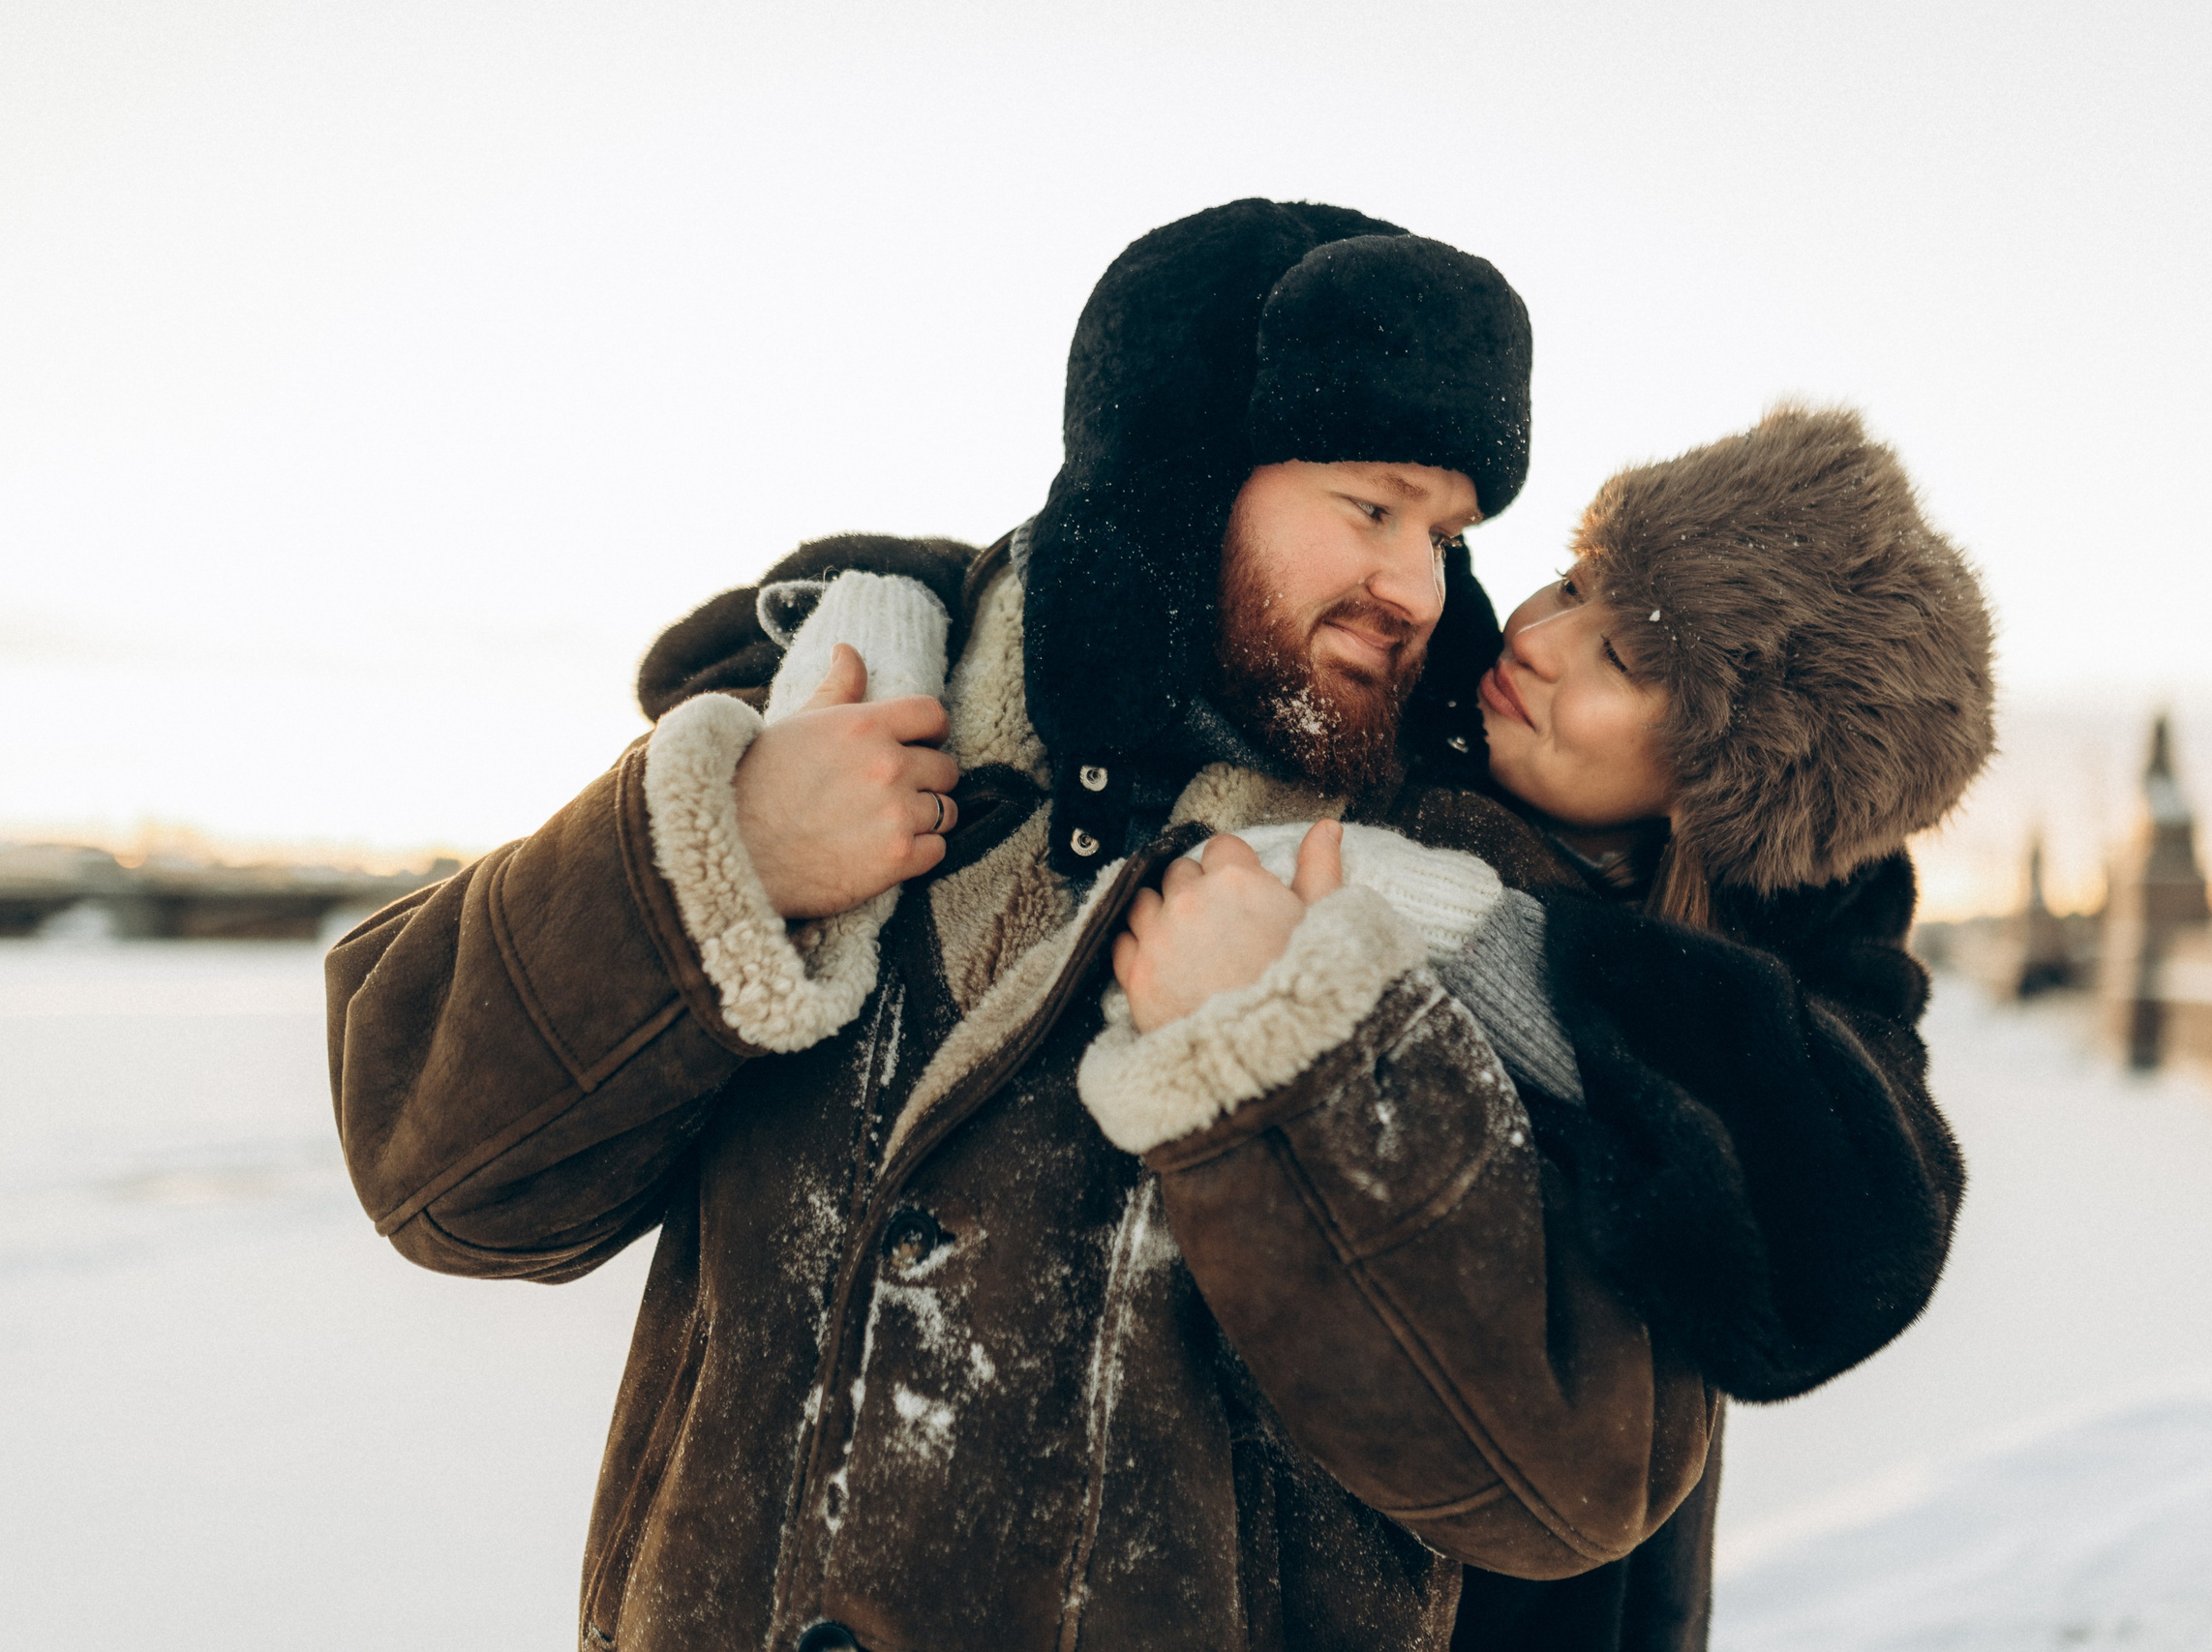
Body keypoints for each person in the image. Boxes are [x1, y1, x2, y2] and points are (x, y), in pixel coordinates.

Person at [330, 198, 1724, 1652]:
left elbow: (1575, 1482)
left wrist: (1295, 1070)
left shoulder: (1447, 892)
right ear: (1184, 477)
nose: (1419, 590)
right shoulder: (828, 700)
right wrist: (726, 856)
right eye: (1371, 509)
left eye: (1446, 534)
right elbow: (436, 1172)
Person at [752, 405, 1995, 1649]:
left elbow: (1845, 1238)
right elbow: (1116, 581)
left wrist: (1480, 941)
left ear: (1726, 780)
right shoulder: (1413, 706)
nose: (1541, 636)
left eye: (1619, 656)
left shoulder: (1774, 990)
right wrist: (891, 614)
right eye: (1571, 579)